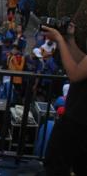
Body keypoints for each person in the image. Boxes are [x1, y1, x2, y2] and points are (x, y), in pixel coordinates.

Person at [43, 23, 87, 175]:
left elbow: (74, 73)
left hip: (78, 120)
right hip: (77, 117)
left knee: (56, 163)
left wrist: (60, 41)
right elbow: (82, 62)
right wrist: (69, 39)